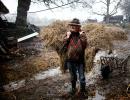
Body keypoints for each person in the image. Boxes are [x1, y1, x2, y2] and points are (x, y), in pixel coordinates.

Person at [63, 18, 87, 96]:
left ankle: (83, 91)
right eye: (72, 26)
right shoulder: (68, 34)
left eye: (76, 26)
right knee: (73, 77)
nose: (74, 27)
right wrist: (67, 37)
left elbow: (84, 46)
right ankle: (73, 89)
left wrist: (81, 35)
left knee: (82, 78)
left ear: (79, 27)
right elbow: (64, 45)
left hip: (80, 61)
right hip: (70, 60)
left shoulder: (82, 34)